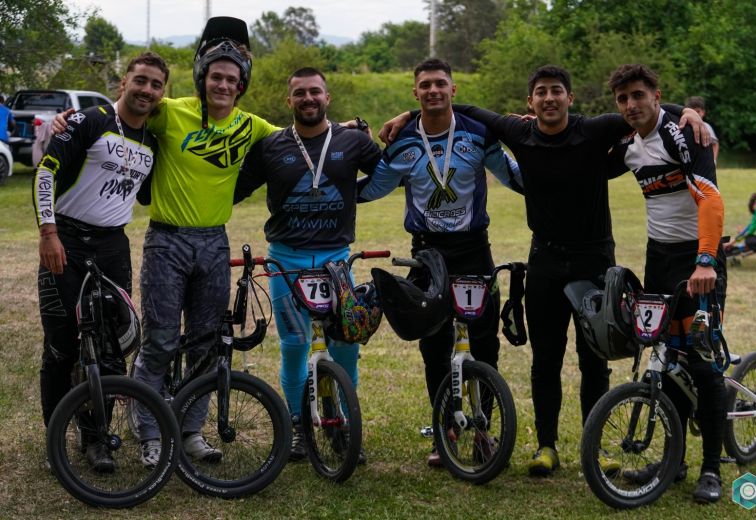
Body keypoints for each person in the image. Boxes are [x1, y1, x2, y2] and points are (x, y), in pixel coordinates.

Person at [379, 64, 708, 476]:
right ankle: (546, 446)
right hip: (545, 262)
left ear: (570, 98)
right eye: (541, 92)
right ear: (529, 103)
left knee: (594, 359)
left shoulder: (596, 129)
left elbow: (646, 110)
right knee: (545, 359)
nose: (549, 98)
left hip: (593, 259)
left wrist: (687, 113)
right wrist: (407, 117)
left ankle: (598, 447)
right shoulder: (518, 133)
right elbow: (456, 106)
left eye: (557, 91)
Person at [127, 17, 279, 468]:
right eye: (216, 76)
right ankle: (151, 434)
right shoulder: (169, 111)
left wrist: (356, 125)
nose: (224, 85)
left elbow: (300, 138)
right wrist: (68, 121)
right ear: (202, 77)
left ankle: (191, 431)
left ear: (242, 84)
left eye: (233, 79)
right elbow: (122, 112)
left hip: (214, 243)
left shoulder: (251, 126)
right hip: (166, 241)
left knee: (207, 344)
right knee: (158, 341)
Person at [358, 58, 523, 467]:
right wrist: (325, 185)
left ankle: (484, 425)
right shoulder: (402, 142)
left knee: (484, 341)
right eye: (425, 85)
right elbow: (374, 188)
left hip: (473, 249)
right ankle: (445, 425)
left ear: (453, 89)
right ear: (415, 93)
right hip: (427, 253)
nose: (433, 90)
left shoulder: (477, 134)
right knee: (433, 343)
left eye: (440, 84)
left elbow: (514, 176)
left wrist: (555, 176)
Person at [234, 67, 382, 463]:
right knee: (296, 345)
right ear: (289, 101)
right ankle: (299, 425)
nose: (308, 99)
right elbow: (232, 187)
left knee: (345, 344)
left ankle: (345, 424)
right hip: (286, 261)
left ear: (327, 97)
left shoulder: (352, 141)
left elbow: (391, 174)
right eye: (300, 93)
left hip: (336, 261)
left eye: (315, 91)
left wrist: (356, 194)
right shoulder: (271, 146)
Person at [33, 51, 168, 472]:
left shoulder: (152, 141)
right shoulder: (90, 120)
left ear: (163, 93)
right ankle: (57, 440)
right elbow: (45, 173)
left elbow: (145, 194)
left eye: (156, 84)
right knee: (61, 347)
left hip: (112, 248)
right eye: (140, 80)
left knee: (111, 348)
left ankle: (97, 441)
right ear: (124, 82)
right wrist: (49, 233)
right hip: (67, 239)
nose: (146, 89)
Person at [607, 64, 727, 503]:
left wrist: (706, 261)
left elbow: (711, 198)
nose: (631, 105)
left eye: (639, 95)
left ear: (657, 96)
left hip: (700, 258)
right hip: (659, 258)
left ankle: (711, 468)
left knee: (702, 361)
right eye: (623, 99)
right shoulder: (628, 145)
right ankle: (673, 460)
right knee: (664, 355)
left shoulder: (684, 133)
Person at [685, 96, 719, 163]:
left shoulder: (706, 127)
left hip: (704, 163)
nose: (695, 114)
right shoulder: (683, 127)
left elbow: (715, 144)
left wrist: (714, 160)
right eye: (692, 112)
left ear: (703, 112)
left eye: (698, 111)